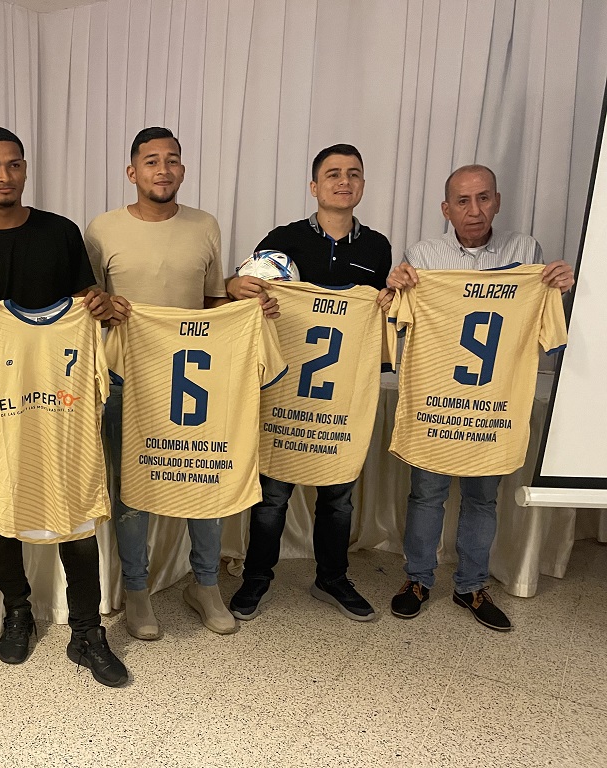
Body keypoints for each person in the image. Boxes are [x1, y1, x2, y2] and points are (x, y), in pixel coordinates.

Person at [0, 126, 128, 687]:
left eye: (13, 165)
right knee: (1, 505)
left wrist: (101, 305)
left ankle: (88, 629)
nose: (4, 176)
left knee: (76, 501)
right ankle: (17, 611)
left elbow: (90, 305)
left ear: (24, 169)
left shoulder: (61, 233)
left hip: (62, 401)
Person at [85, 126, 278, 639]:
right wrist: (106, 311)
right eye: (151, 161)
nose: (162, 170)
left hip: (198, 377)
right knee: (131, 490)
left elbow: (212, 304)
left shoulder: (205, 225)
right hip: (128, 377)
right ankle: (136, 590)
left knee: (206, 471)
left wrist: (240, 299)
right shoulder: (101, 229)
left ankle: (206, 583)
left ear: (183, 171)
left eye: (172, 161)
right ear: (133, 173)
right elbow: (88, 309)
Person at [386, 164, 574, 631]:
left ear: (498, 200)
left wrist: (559, 288)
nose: (475, 210)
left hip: (492, 401)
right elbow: (399, 319)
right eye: (463, 202)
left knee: (482, 498)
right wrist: (396, 290)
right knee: (426, 494)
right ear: (446, 209)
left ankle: (470, 586)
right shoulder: (423, 256)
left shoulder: (526, 251)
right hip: (437, 396)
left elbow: (542, 327)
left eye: (484, 198)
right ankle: (417, 580)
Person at [227, 143, 393, 623]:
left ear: (362, 185)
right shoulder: (284, 239)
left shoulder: (376, 247)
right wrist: (238, 284)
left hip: (341, 393)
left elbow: (380, 317)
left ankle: (332, 577)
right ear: (314, 186)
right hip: (284, 389)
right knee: (272, 494)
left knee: (338, 493)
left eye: (354, 174)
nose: (344, 181)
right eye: (333, 173)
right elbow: (246, 292)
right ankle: (257, 577)